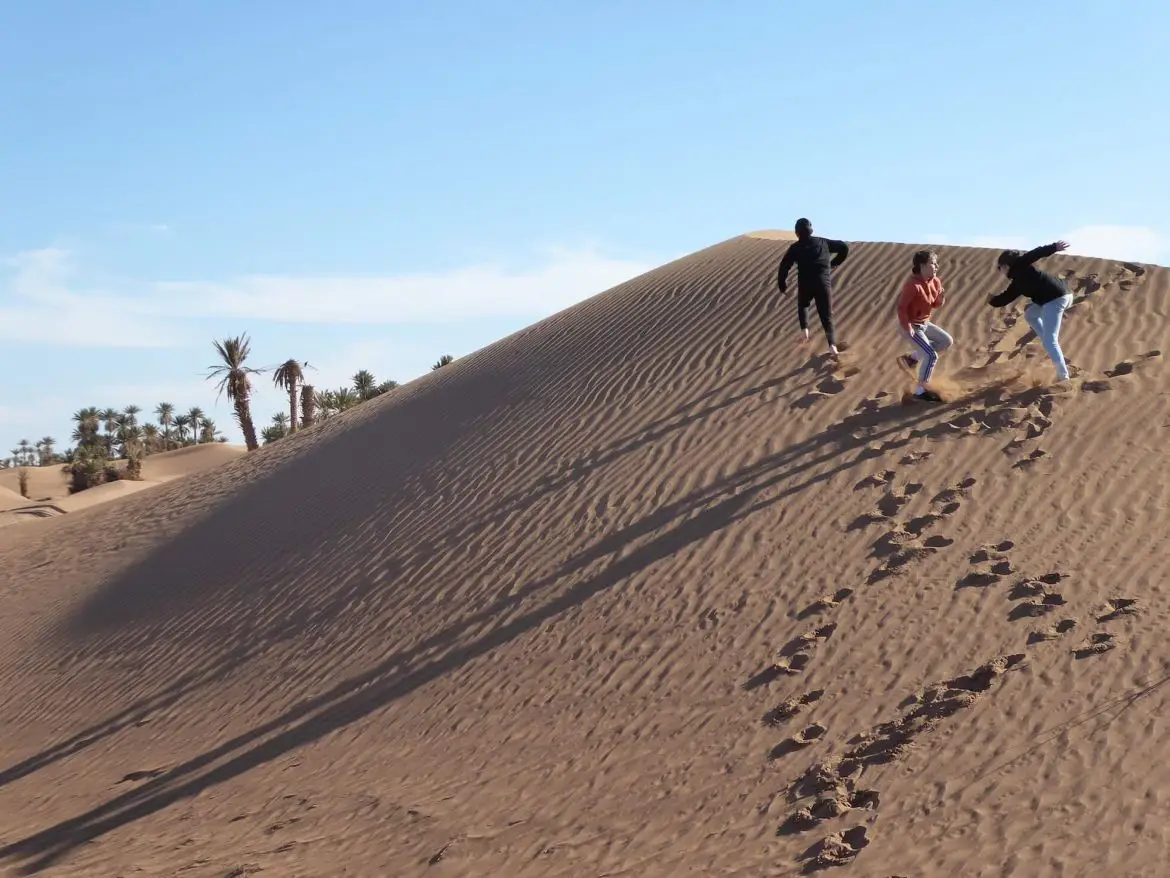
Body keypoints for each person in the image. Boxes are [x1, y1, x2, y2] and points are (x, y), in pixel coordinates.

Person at [987, 240, 1073, 381]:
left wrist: (1054, 247)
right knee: (1030, 315)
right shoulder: (1017, 282)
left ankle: (1063, 377)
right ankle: (1046, 341)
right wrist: (992, 300)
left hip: (1055, 299)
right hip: (1059, 296)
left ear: (1006, 266)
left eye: (999, 267)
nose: (999, 271)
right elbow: (1006, 298)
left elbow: (1036, 253)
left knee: (1050, 341)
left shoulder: (1021, 265)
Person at [777, 218, 850, 355]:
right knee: (826, 316)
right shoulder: (823, 242)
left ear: (797, 233)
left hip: (805, 283)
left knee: (803, 305)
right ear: (811, 230)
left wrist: (782, 283)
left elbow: (784, 265)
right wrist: (834, 262)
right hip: (823, 283)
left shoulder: (795, 248)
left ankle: (805, 331)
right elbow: (843, 247)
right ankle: (832, 346)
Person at [896, 249, 951, 403]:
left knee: (946, 341)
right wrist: (908, 328)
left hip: (924, 323)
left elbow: (935, 304)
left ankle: (911, 359)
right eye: (933, 263)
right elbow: (901, 308)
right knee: (931, 355)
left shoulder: (935, 281)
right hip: (909, 325)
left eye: (936, 263)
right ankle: (920, 392)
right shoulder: (912, 285)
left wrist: (941, 297)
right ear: (922, 266)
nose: (936, 266)